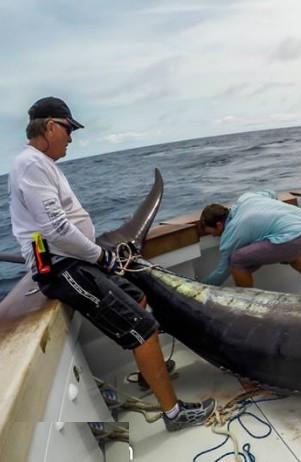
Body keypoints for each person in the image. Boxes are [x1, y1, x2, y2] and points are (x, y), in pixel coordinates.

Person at [8, 97, 215, 431]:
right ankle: (174, 414)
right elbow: (56, 230)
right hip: (62, 269)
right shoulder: (30, 165)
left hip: (75, 259)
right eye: (68, 129)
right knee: (143, 329)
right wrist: (100, 255)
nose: (71, 137)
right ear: (49, 127)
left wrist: (95, 254)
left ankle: (151, 376)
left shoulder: (41, 164)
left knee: (137, 298)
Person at [198, 190, 301, 296]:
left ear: (219, 225)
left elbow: (222, 273)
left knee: (236, 260)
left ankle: (249, 303)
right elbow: (271, 193)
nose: (213, 235)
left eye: (211, 232)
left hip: (294, 239)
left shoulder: (231, 235)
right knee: (285, 242)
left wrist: (197, 287)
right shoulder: (247, 198)